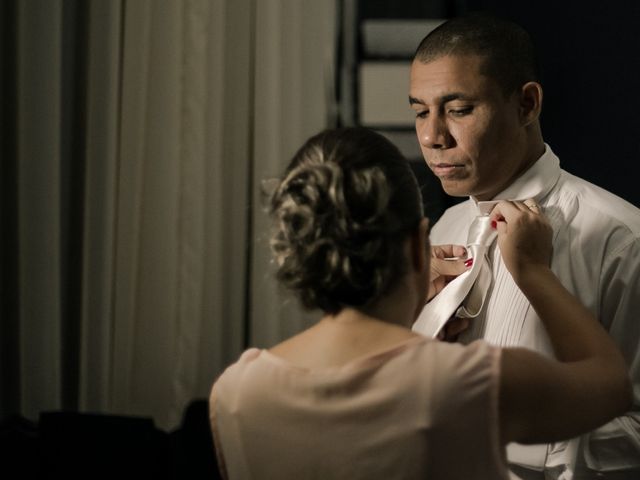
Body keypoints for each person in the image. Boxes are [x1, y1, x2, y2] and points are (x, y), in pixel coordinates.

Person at [208, 127, 630, 480]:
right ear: (416, 246)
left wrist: (418, 320)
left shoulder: (235, 392)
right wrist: (534, 271)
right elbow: (611, 387)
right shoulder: (465, 384)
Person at [409, 12, 640, 479]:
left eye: (458, 110)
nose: (433, 138)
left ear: (527, 105)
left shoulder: (623, 239)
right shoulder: (445, 230)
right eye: (419, 111)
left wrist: (514, 429)